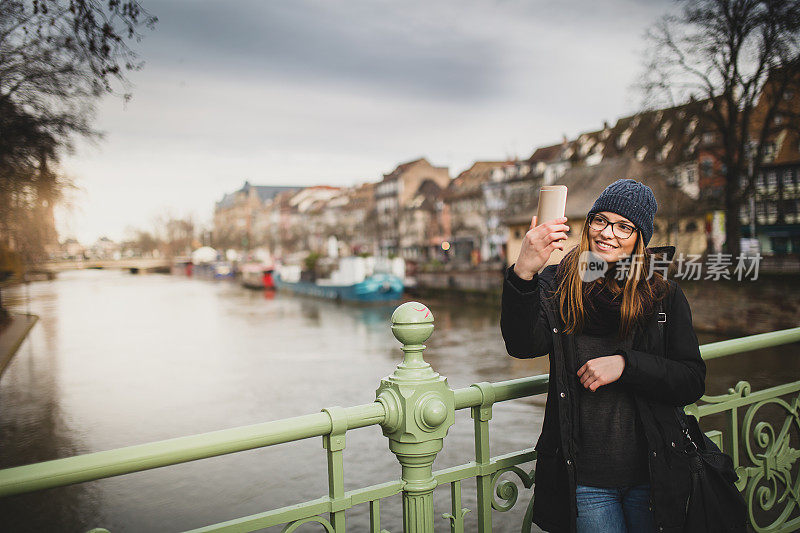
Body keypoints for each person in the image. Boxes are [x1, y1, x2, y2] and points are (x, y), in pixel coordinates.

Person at [501, 179, 706, 533]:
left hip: (653, 473)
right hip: (586, 479)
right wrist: (524, 272)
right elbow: (522, 345)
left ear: (639, 237)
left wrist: (627, 366)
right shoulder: (560, 282)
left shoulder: (661, 294)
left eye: (624, 226)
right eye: (600, 220)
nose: (607, 233)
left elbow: (691, 379)